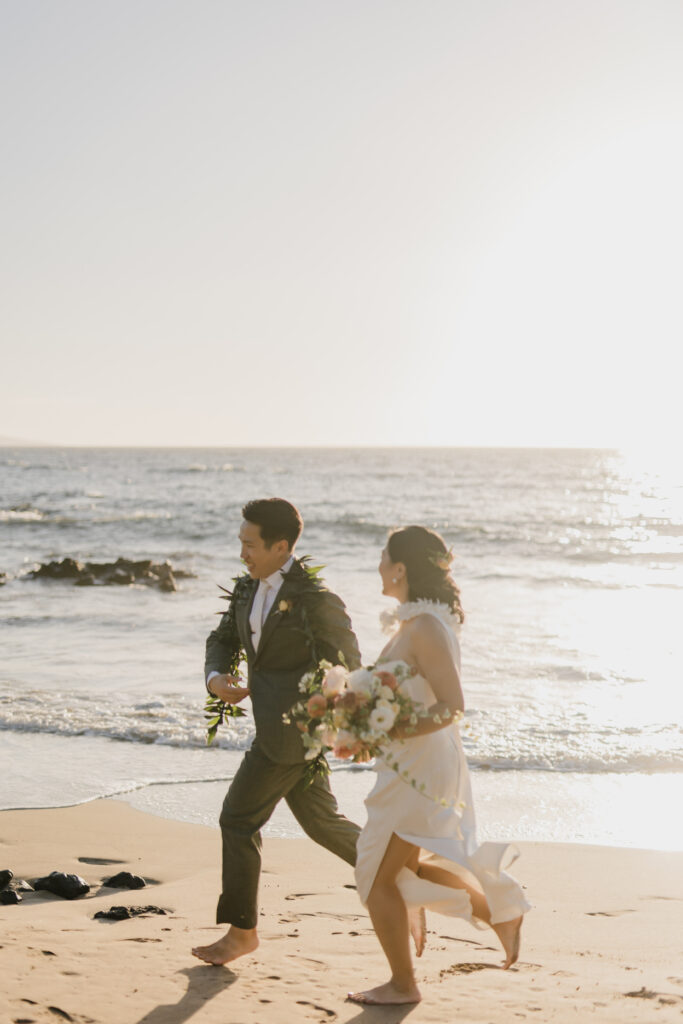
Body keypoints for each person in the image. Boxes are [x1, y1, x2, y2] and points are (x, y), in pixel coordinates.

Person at [347, 525, 530, 1005]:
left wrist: (387, 731)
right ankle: (498, 914)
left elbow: (451, 705)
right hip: (406, 764)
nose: (378, 565)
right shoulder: (413, 624)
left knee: (376, 875)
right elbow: (406, 702)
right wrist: (363, 731)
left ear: (401, 568)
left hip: (422, 766)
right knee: (395, 869)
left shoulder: (427, 627)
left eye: (383, 557)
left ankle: (404, 985)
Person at [191, 497, 361, 966]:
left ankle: (242, 932)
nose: (242, 552)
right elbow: (222, 639)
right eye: (241, 543)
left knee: (237, 819)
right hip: (272, 727)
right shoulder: (248, 590)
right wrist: (216, 679)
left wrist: (327, 720)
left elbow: (350, 666)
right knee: (322, 823)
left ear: (281, 545)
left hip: (292, 736)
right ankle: (399, 872)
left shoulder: (318, 601)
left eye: (250, 544)